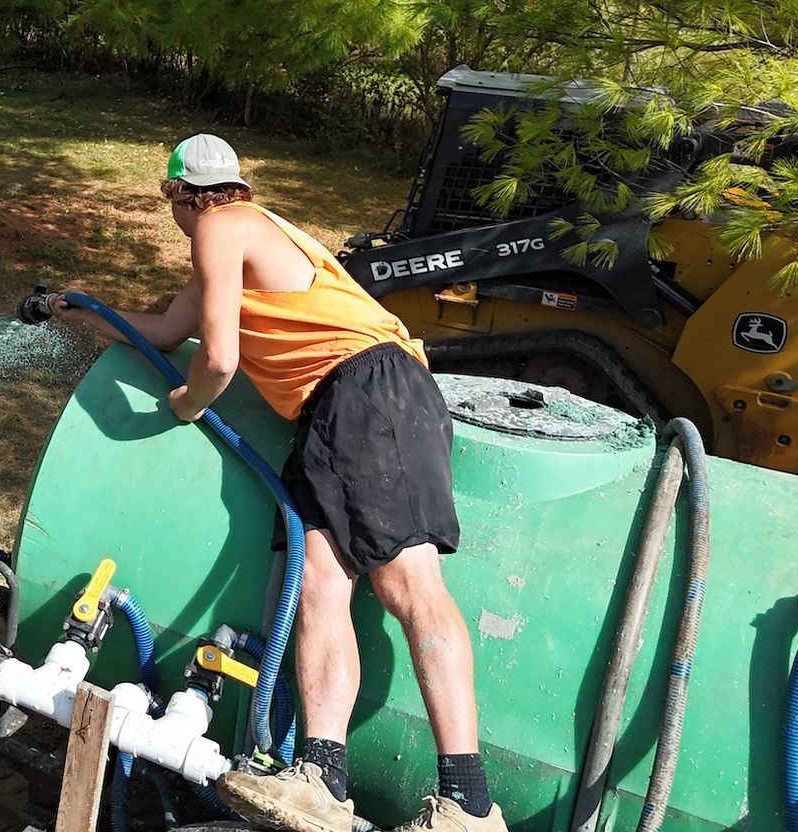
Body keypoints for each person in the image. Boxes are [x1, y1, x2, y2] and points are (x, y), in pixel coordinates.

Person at [50, 134, 505, 832]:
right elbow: (172, 331)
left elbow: (218, 359)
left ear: (177, 194)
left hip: (368, 393)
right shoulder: (244, 235)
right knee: (320, 582)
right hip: (341, 406)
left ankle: (469, 806)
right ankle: (320, 780)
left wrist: (187, 404)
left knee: (408, 585)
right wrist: (89, 315)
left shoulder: (216, 229)